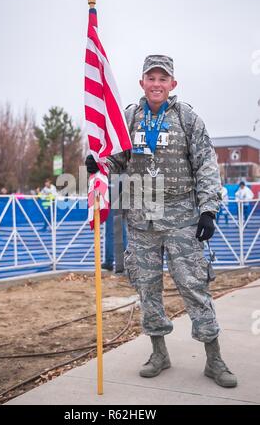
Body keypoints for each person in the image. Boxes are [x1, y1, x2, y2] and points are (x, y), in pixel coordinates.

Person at [86, 55, 237, 388]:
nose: (156, 84)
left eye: (162, 78)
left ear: (173, 84)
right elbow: (115, 157)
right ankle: (159, 353)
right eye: (150, 78)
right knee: (147, 289)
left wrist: (209, 209)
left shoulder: (187, 119)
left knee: (195, 287)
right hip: (141, 221)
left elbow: (206, 164)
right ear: (142, 83)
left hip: (182, 218)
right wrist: (98, 166)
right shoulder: (128, 118)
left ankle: (214, 359)